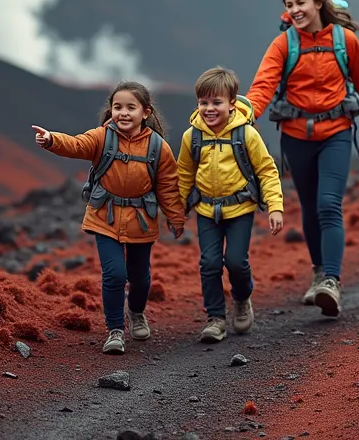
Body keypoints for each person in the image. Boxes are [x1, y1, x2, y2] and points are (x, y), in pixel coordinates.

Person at [246, 0, 359, 318]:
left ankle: (332, 282)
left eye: (300, 3)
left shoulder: (346, 40)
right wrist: (242, 115)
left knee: (328, 205)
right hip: (295, 137)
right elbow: (262, 86)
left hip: (336, 132)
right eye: (289, 5)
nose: (295, 10)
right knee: (309, 207)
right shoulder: (284, 44)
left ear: (318, 2)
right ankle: (318, 272)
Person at [31, 81, 186, 355]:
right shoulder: (102, 137)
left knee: (140, 278)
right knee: (114, 274)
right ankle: (115, 331)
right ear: (110, 110)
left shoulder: (158, 147)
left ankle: (136, 313)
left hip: (142, 219)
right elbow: (77, 144)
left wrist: (175, 218)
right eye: (117, 107)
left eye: (130, 107)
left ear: (146, 112)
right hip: (105, 216)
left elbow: (168, 185)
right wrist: (52, 139)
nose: (123, 113)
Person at [177, 66, 285, 343]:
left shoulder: (246, 135)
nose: (209, 108)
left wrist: (274, 206)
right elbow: (184, 175)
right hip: (206, 211)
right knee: (210, 263)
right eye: (204, 103)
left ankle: (241, 297)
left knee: (236, 261)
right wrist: (177, 211)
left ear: (232, 103)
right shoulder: (192, 137)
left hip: (240, 210)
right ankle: (215, 318)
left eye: (217, 102)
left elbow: (266, 170)